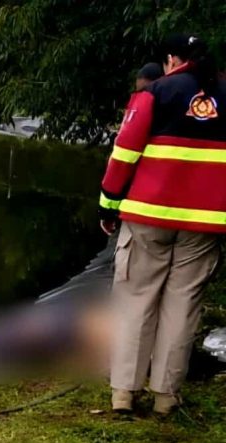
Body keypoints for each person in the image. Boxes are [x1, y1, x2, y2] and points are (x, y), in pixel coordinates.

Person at [99, 34, 226, 415]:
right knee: (183, 305)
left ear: (172, 60)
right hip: (205, 224)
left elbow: (124, 153)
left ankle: (124, 394)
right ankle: (166, 397)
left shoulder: (156, 93)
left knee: (137, 299)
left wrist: (108, 205)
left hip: (149, 216)